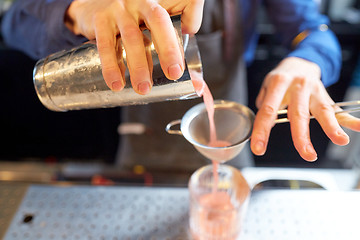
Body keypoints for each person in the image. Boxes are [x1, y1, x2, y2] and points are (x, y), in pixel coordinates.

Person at [2, 0, 360, 174]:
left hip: (229, 125)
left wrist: (309, 60)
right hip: (135, 131)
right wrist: (73, 9)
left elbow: (314, 29)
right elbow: (13, 24)